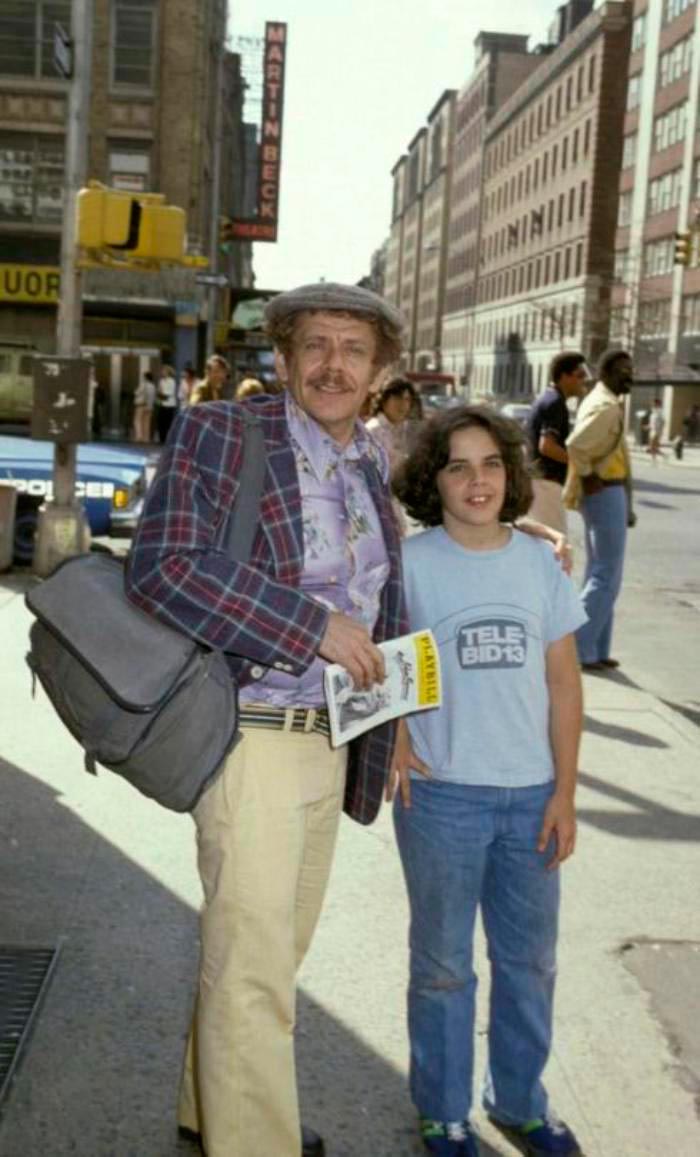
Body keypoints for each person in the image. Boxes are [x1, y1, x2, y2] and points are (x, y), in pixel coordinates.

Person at [125, 281, 408, 1157]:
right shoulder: (224, 432)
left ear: (377, 373)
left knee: (266, 956)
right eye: (315, 346)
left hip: (331, 741)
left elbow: (383, 602)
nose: (333, 365)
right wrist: (306, 625)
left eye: (353, 351)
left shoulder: (368, 461)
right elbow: (162, 566)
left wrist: (392, 727)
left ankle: (211, 1106)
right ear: (282, 359)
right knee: (253, 972)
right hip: (248, 735)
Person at [390, 405, 586, 1157]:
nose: (478, 480)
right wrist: (400, 737)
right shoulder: (411, 563)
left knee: (529, 962)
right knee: (442, 966)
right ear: (430, 479)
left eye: (492, 464)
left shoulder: (539, 563)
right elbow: (390, 657)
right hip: (442, 798)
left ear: (512, 473)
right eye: (457, 465)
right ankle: (443, 1109)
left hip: (531, 794)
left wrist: (565, 791)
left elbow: (564, 684)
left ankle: (519, 1100)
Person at [563, 348, 636, 672]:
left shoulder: (604, 400)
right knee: (606, 574)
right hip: (604, 491)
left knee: (605, 574)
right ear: (607, 373)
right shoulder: (605, 407)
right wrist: (589, 475)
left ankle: (594, 649)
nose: (629, 376)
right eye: (623, 370)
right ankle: (576, 647)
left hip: (611, 492)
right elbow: (576, 444)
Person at [527, 352, 589, 533]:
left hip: (539, 482)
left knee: (543, 543)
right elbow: (547, 446)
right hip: (546, 483)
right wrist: (577, 462)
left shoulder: (548, 398)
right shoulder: (555, 403)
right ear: (564, 376)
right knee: (555, 544)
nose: (583, 381)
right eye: (580, 375)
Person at [366, 377, 422, 472]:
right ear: (384, 401)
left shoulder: (411, 430)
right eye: (397, 398)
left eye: (407, 399)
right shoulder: (372, 431)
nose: (402, 404)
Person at [156, 364, 178, 442]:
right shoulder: (161, 381)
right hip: (162, 404)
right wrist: (161, 394)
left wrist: (162, 393)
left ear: (168, 372)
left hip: (170, 405)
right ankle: (161, 438)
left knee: (168, 423)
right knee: (161, 422)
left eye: (164, 371)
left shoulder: (172, 381)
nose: (162, 372)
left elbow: (169, 393)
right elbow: (159, 392)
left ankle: (167, 439)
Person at [132, 370, 156, 442]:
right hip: (150, 407)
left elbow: (136, 393)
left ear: (145, 377)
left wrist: (136, 392)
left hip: (141, 405)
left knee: (137, 421)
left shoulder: (143, 385)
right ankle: (146, 438)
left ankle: (139, 436)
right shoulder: (153, 386)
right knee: (147, 422)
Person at [645, 398, 664, 463]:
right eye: (653, 403)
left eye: (654, 403)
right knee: (654, 447)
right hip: (652, 431)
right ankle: (664, 456)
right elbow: (652, 422)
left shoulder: (660, 412)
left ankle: (654, 460)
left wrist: (660, 431)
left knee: (652, 445)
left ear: (658, 404)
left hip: (656, 431)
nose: (653, 404)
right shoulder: (653, 412)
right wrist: (647, 426)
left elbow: (662, 422)